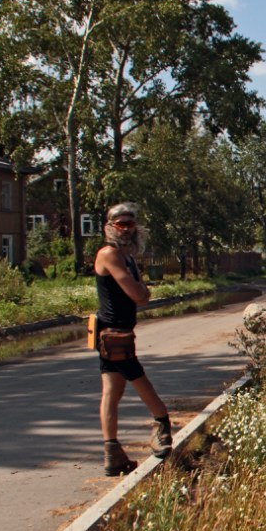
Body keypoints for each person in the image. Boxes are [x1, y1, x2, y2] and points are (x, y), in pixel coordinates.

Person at [94, 202, 171, 476]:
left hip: (120, 332)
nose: (126, 229)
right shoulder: (110, 254)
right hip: (113, 335)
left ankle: (112, 454)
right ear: (110, 227)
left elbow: (140, 293)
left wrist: (141, 289)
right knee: (139, 379)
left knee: (112, 392)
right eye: (121, 224)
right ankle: (162, 426)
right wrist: (142, 289)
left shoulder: (126, 257)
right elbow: (139, 295)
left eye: (130, 223)